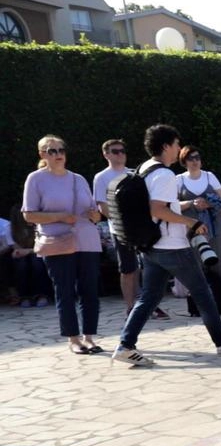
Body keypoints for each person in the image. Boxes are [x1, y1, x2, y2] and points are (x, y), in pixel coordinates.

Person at [114, 124, 221, 367]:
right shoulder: (165, 175)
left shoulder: (144, 168)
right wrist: (191, 222)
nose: (179, 149)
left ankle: (125, 345)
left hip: (151, 245)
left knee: (149, 297)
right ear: (166, 146)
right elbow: (158, 209)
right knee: (202, 292)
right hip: (171, 244)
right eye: (176, 144)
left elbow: (159, 207)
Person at [22, 135, 104, 354]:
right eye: (52, 151)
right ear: (42, 155)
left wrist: (96, 215)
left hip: (87, 239)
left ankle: (89, 337)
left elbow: (95, 212)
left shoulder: (78, 179)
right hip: (57, 242)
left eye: (61, 150)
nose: (58, 154)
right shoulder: (36, 179)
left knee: (90, 290)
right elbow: (29, 215)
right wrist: (60, 216)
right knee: (65, 291)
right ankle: (73, 339)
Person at [93, 138, 163, 317]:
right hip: (120, 230)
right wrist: (123, 222)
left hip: (141, 228)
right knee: (128, 268)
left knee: (148, 265)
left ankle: (150, 303)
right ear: (106, 154)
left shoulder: (134, 174)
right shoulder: (101, 177)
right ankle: (131, 306)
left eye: (122, 151)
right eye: (115, 151)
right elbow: (102, 206)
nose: (120, 154)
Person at [176, 145, 221, 290]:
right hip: (192, 225)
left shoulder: (209, 176)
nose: (195, 161)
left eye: (197, 157)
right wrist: (192, 203)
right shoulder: (179, 180)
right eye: (191, 158)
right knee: (195, 257)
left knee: (219, 256)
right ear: (184, 161)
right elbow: (172, 205)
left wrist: (209, 203)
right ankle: (198, 291)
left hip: (214, 223)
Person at [8, 204, 50, 308]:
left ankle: (41, 295)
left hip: (37, 252)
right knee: (21, 265)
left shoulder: (38, 226)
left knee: (37, 263)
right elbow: (16, 248)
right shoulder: (10, 228)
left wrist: (28, 251)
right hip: (22, 255)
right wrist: (22, 251)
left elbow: (42, 244)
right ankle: (24, 297)